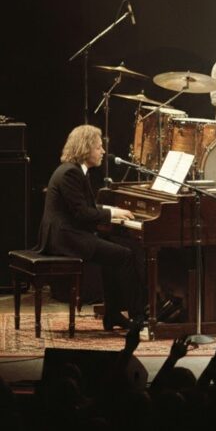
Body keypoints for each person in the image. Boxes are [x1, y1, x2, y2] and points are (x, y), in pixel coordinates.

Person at [36, 124, 145, 331]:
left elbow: (84, 207)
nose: (103, 151)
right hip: (66, 239)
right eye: (98, 147)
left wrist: (111, 209)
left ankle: (112, 314)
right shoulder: (71, 173)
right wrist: (112, 214)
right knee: (126, 255)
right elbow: (82, 214)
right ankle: (138, 317)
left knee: (113, 252)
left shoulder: (74, 170)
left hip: (67, 235)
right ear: (85, 149)